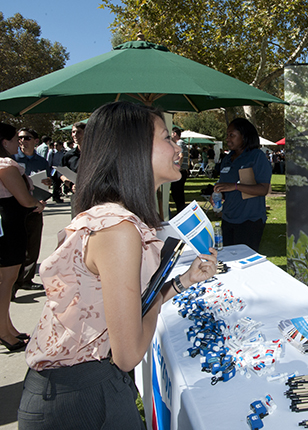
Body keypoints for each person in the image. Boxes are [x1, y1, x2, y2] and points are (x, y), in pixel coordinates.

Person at [18, 101, 217, 428]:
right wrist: (157, 294)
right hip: (81, 396)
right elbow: (129, 353)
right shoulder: (119, 230)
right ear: (134, 149)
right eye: (166, 137)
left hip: (79, 385)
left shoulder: (113, 218)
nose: (177, 146)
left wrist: (181, 282)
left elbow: (120, 308)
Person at [0, 123, 45, 352]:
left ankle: (8, 327)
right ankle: (4, 331)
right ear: (4, 142)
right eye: (15, 139)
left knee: (5, 282)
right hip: (9, 225)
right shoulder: (6, 166)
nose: (18, 143)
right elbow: (24, 199)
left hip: (7, 224)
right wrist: (36, 203)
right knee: (6, 282)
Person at [213, 118, 272, 251]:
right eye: (227, 135)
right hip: (228, 218)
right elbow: (225, 186)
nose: (227, 139)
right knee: (227, 260)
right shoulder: (227, 159)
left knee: (245, 263)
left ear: (244, 136)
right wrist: (218, 193)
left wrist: (235, 186)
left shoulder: (257, 157)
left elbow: (263, 189)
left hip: (250, 220)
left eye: (232, 135)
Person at [12, 128, 50, 294]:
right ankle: (13, 281)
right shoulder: (12, 159)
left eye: (26, 138)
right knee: (15, 245)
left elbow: (45, 183)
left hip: (36, 207)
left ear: (35, 141)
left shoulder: (42, 161)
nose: (22, 141)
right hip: (16, 208)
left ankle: (26, 280)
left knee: (33, 245)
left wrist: (47, 185)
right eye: (19, 138)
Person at [170, 126, 189, 214]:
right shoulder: (183, 143)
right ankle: (181, 210)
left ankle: (180, 210)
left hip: (180, 171)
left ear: (174, 134)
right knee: (179, 192)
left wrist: (178, 167)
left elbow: (181, 156)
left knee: (176, 192)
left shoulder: (179, 143)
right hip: (183, 171)